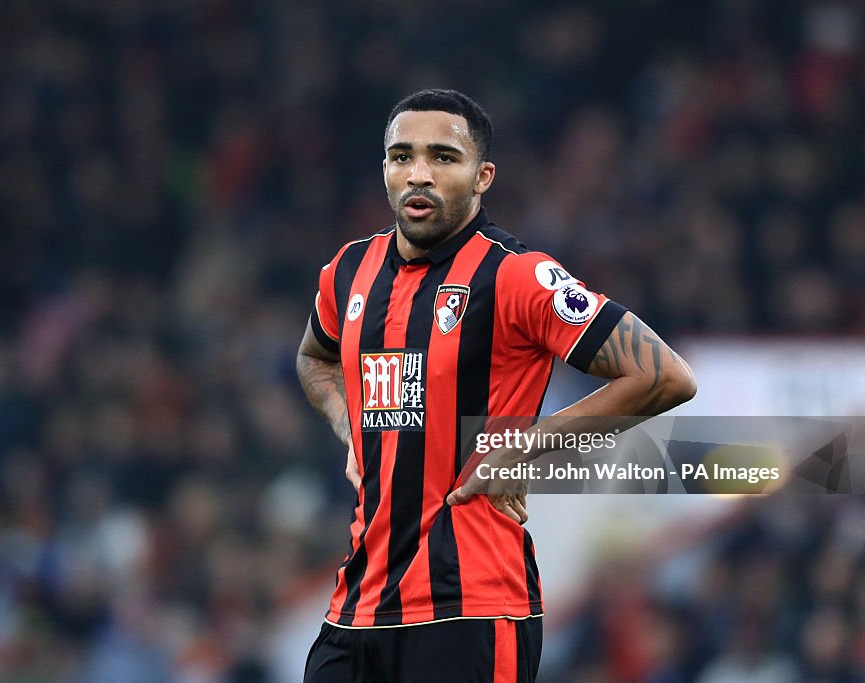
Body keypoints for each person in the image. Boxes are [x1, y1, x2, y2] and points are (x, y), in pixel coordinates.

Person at [296, 89, 696, 682]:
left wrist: (526, 448)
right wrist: (348, 426)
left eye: (443, 157)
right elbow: (314, 358)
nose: (419, 174)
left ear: (482, 176)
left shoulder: (516, 275)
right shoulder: (349, 271)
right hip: (357, 611)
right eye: (401, 156)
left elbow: (663, 374)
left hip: (473, 608)